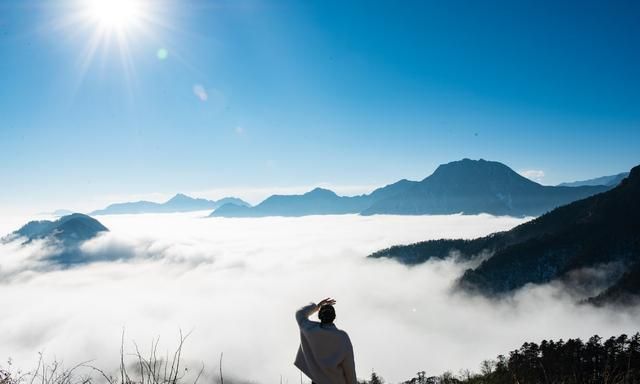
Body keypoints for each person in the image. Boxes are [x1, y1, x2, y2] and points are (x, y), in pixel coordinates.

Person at [294, 297, 357, 384]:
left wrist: (318, 306)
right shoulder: (342, 337)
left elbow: (300, 313)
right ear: (334, 317)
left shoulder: (309, 330)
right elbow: (349, 370)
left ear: (319, 316)